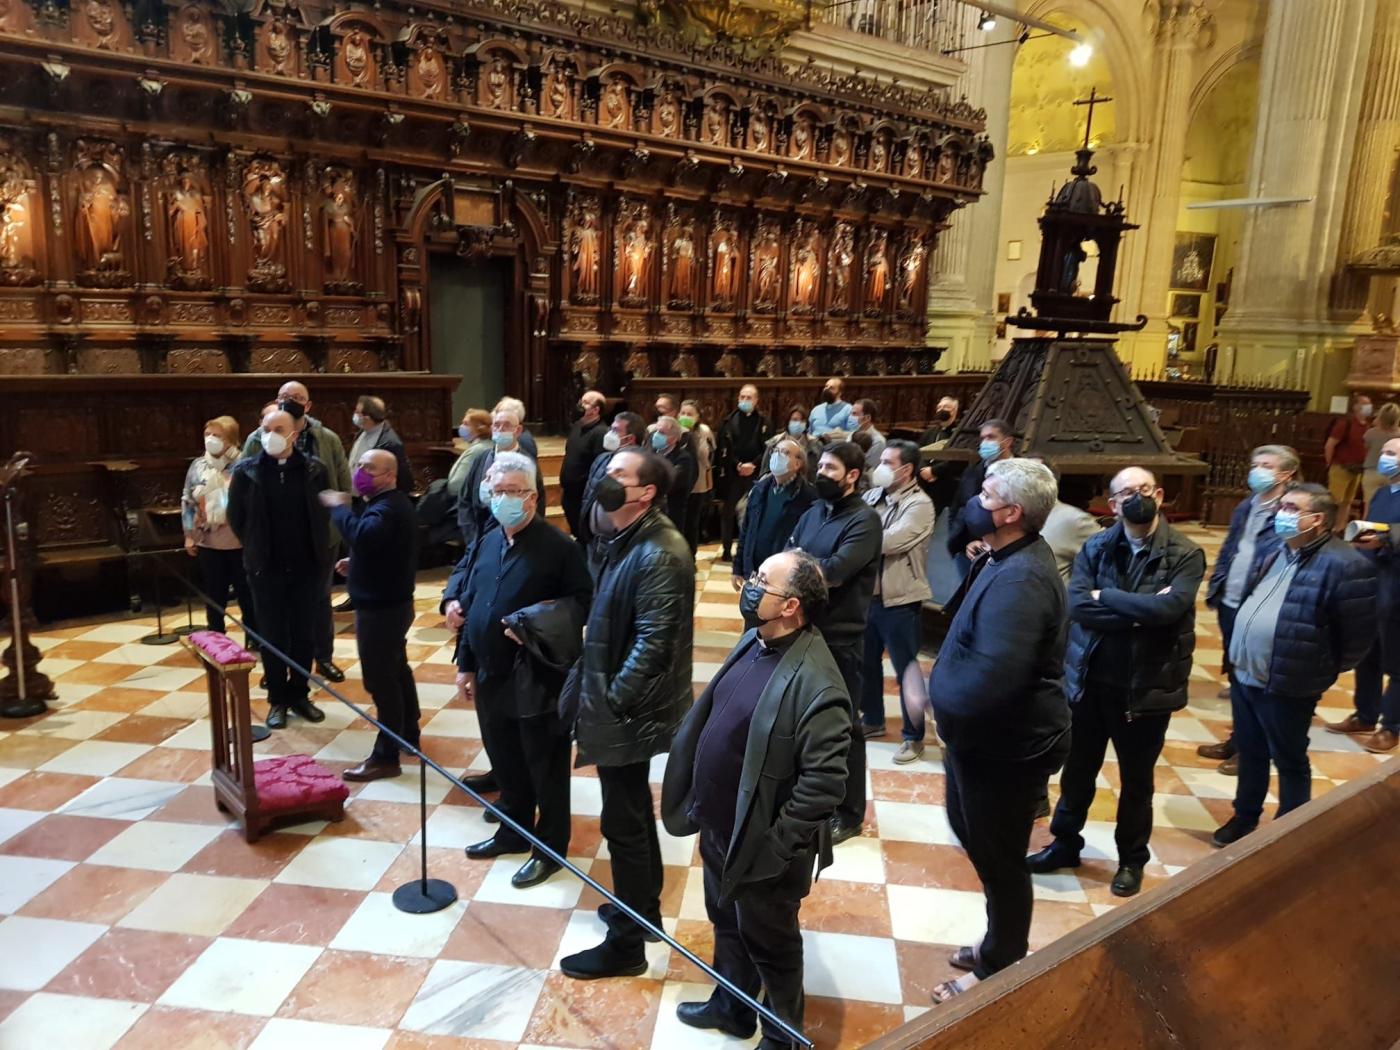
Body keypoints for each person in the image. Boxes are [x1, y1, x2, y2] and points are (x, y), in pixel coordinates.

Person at [661, 551, 850, 1048]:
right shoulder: (755, 639)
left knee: (773, 945)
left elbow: (825, 784)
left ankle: (783, 1037)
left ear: (790, 606)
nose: (749, 585)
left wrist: (772, 849)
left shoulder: (819, 683)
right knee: (727, 923)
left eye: (762, 581)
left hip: (761, 847)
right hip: (721, 825)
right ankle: (732, 1007)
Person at [926, 458, 1070, 1004]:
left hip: (1004, 747)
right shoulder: (1003, 556)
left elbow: (994, 678)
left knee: (1000, 858)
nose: (973, 501)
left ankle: (1000, 962)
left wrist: (938, 705)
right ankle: (998, 941)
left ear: (1011, 512)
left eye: (985, 496)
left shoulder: (1023, 580)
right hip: (976, 741)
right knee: (977, 839)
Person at [1027, 467, 1205, 898]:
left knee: (1136, 782)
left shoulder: (1184, 553)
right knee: (1077, 773)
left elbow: (1170, 611)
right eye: (1126, 492)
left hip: (1145, 689)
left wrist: (1105, 598)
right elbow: (1078, 606)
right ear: (1112, 505)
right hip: (1090, 682)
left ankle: (1131, 860)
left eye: (1144, 489)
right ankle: (1065, 844)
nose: (1136, 497)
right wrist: (1140, 608)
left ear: (1159, 495)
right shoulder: (1097, 545)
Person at [561, 448, 694, 979]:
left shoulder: (660, 550)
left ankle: (628, 945)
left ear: (646, 493)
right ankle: (642, 913)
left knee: (626, 820)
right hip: (623, 703)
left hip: (631, 708)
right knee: (629, 812)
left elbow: (654, 641)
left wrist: (613, 698)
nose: (606, 480)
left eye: (619, 474)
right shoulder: (627, 538)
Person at [455, 452, 594, 886]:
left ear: (532, 497)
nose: (502, 500)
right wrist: (466, 663)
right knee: (505, 758)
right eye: (496, 492)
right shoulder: (489, 538)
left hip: (536, 677)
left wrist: (532, 622)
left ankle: (549, 848)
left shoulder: (559, 548)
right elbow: (476, 604)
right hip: (491, 671)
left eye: (511, 492)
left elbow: (581, 603)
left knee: (544, 768)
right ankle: (513, 830)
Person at [1213, 483, 1376, 848]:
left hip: (1289, 681)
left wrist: (1317, 668)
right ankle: (1244, 816)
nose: (1280, 514)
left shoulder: (1346, 564)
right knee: (1251, 751)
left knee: (1289, 757)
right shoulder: (1275, 548)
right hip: (1245, 674)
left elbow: (1357, 638)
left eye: (1290, 507)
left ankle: (1290, 829)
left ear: (1316, 519)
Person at [785, 442, 881, 845]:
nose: (821, 473)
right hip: (804, 630)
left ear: (853, 475)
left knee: (843, 727)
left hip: (841, 637)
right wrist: (805, 564)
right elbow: (790, 554)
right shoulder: (812, 513)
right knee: (799, 719)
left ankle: (850, 811)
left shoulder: (864, 520)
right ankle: (807, 796)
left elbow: (837, 571)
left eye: (830, 467)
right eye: (819, 465)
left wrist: (802, 567)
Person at [318, 449, 420, 781]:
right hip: (391, 604)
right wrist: (357, 564)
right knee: (396, 669)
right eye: (359, 465)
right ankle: (408, 733)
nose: (360, 472)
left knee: (381, 681)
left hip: (382, 610)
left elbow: (363, 536)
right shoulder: (389, 504)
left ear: (389, 475)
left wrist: (338, 508)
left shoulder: (389, 508)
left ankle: (386, 756)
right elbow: (379, 549)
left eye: (369, 468)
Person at [228, 409, 332, 729]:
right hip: (266, 568)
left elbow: (324, 513)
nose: (270, 433)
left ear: (294, 434)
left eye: (278, 428)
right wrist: (256, 545)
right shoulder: (247, 471)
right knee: (271, 635)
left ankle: (299, 694)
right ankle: (277, 699)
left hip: (306, 567)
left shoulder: (315, 469)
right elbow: (236, 517)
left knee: (303, 633)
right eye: (265, 428)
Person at [241, 381, 351, 683]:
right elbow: (239, 495)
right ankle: (276, 667)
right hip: (271, 541)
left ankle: (322, 658)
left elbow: (342, 483)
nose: (289, 401)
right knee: (275, 610)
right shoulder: (257, 439)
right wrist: (251, 537)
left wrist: (332, 524)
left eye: (297, 398)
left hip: (319, 538)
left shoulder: (325, 438)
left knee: (318, 601)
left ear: (308, 404)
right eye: (284, 397)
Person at [1200, 445, 1296, 774]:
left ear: (1286, 474)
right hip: (1233, 600)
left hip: (1262, 604)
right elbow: (1231, 549)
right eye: (1255, 464)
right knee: (1237, 677)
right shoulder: (1245, 506)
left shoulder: (1289, 513)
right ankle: (1239, 738)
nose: (1257, 471)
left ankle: (1255, 749)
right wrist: (1219, 585)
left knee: (1257, 681)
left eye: (1267, 466)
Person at [860, 440, 934, 759]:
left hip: (900, 598)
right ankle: (873, 719)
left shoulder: (920, 505)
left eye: (889, 463)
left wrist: (857, 534)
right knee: (865, 663)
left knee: (907, 670)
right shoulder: (872, 496)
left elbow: (889, 541)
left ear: (907, 469)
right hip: (868, 597)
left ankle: (913, 735)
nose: (881, 467)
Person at [1328, 436, 1400, 754]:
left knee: (1396, 662)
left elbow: (1389, 533)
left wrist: (1385, 539)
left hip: (1397, 587)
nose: (1384, 458)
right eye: (1384, 451)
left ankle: (1391, 726)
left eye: (1392, 453)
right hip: (1374, 582)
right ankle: (1365, 714)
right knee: (1367, 656)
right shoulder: (1383, 492)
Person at [182, 415, 255, 643]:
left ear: (231, 440)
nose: (211, 439)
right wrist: (189, 535)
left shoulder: (244, 465)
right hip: (209, 541)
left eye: (217, 435)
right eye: (208, 435)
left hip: (239, 542)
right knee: (214, 594)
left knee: (247, 595)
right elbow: (188, 501)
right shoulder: (198, 465)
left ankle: (254, 635)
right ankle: (216, 636)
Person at [458, 404, 545, 553]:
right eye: (496, 425)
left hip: (514, 543)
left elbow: (537, 505)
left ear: (517, 431)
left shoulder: (527, 464)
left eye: (506, 426)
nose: (500, 429)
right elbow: (465, 500)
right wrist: (472, 538)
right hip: (479, 539)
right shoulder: (481, 459)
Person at [733, 438, 816, 591]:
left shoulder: (808, 497)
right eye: (775, 451)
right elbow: (746, 530)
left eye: (784, 453)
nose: (777, 456)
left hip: (783, 575)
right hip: (754, 569)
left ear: (798, 464)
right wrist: (738, 567)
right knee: (753, 611)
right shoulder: (759, 489)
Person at [577, 411, 645, 576]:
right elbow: (588, 495)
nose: (609, 434)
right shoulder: (602, 459)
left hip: (621, 544)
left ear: (629, 439)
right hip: (595, 541)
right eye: (610, 429)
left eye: (616, 431)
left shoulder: (643, 467)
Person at [946, 418, 1014, 579]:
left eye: (991, 437)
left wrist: (991, 543)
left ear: (1007, 442)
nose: (984, 443)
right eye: (982, 438)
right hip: (967, 550)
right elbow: (957, 506)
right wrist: (957, 537)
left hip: (1003, 551)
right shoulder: (973, 470)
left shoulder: (1019, 473)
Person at [718, 384, 772, 563]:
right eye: (742, 397)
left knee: (755, 512)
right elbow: (723, 449)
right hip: (734, 473)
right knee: (728, 513)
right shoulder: (727, 421)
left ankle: (750, 550)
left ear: (756, 400)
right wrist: (738, 465)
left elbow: (768, 447)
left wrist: (753, 465)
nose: (745, 401)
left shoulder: (764, 422)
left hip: (756, 474)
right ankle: (726, 550)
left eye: (749, 398)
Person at [561, 390, 608, 535]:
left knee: (584, 534)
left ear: (596, 410)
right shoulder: (577, 426)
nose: (581, 405)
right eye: (582, 401)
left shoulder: (601, 432)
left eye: (586, 403)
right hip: (569, 492)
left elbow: (598, 465)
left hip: (583, 495)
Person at [1324, 392, 1372, 527]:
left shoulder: (1366, 425)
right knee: (1335, 501)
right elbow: (1330, 444)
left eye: (1369, 404)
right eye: (1365, 404)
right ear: (1356, 406)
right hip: (1341, 467)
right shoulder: (1345, 423)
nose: (1369, 407)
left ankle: (1339, 528)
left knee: (1347, 502)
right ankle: (1328, 527)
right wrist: (1330, 463)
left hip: (1357, 469)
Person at [347, 395, 413, 493]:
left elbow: (403, 477)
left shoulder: (390, 443)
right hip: (356, 494)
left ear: (367, 417)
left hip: (374, 496)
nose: (354, 415)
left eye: (357, 412)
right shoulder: (362, 431)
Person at [650, 415, 698, 540]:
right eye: (656, 431)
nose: (656, 435)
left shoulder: (683, 458)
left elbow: (670, 483)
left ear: (673, 439)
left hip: (671, 513)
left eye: (661, 432)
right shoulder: (650, 453)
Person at [679, 399, 716, 552]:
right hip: (679, 485)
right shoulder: (674, 431)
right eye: (683, 413)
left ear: (697, 417)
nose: (685, 416)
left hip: (698, 485)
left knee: (692, 525)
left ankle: (691, 556)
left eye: (690, 414)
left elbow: (710, 456)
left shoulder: (704, 431)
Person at [761, 404, 822, 480]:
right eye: (795, 420)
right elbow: (764, 472)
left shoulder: (815, 444)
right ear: (788, 422)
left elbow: (819, 472)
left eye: (802, 420)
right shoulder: (774, 443)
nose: (798, 423)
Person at [1361, 401, 1400, 510]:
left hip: (1372, 471)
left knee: (1369, 506)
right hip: (1394, 473)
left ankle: (1368, 526)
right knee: (1391, 506)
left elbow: (1366, 447)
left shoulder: (1371, 433)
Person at [446, 409, 492, 499]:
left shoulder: (477, 450)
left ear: (479, 428)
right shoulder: (486, 445)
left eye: (466, 424)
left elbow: (455, 486)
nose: (461, 427)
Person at [849, 399, 886, 473]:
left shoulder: (878, 442)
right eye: (850, 414)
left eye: (854, 414)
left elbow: (868, 469)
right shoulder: (852, 433)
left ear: (867, 418)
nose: (850, 417)